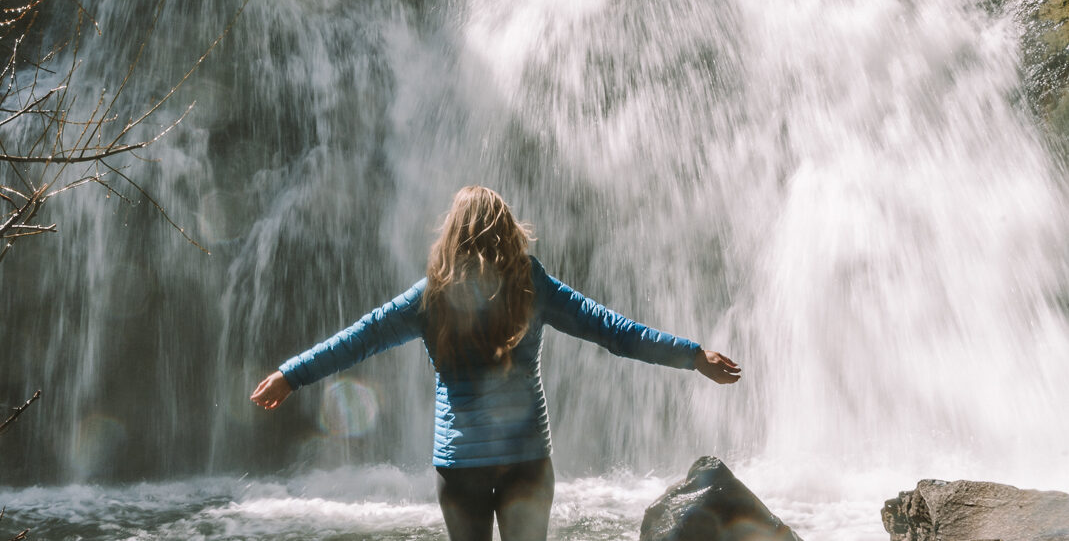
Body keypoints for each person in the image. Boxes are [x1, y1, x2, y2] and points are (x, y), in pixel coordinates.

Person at [251, 185, 741, 541]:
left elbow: (358, 338)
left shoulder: (430, 296)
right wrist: (692, 355)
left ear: (451, 235)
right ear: (506, 230)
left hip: (460, 464)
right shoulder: (531, 283)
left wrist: (290, 375)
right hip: (526, 459)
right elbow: (611, 330)